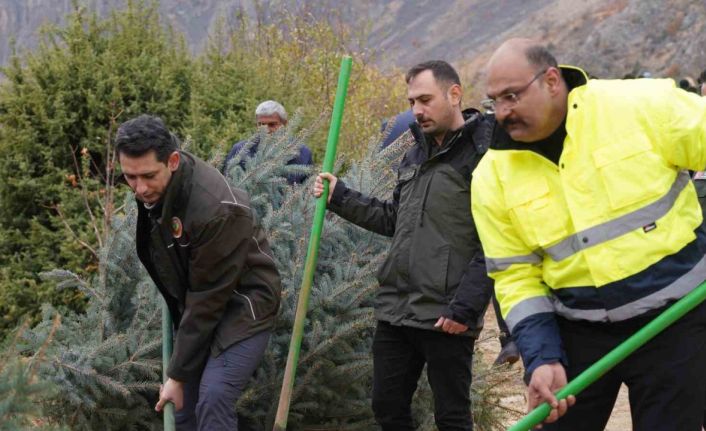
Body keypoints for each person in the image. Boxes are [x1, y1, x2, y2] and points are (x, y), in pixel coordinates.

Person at [471, 38, 706, 430]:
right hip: (578, 333)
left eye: (512, 96)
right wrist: (542, 357)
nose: (503, 113)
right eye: (495, 101)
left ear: (550, 81)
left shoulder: (640, 106)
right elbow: (515, 277)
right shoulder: (491, 177)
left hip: (676, 320)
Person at [313, 60, 492, 430]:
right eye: (412, 101)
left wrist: (466, 307)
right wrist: (340, 196)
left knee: (452, 417)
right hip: (397, 308)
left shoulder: (483, 155)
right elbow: (395, 219)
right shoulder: (415, 154)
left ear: (454, 94)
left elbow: (496, 239)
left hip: (446, 315)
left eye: (425, 99)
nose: (416, 110)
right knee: (387, 408)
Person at [116, 115, 281, 430]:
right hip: (199, 301)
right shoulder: (159, 188)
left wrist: (177, 374)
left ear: (173, 160)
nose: (139, 188)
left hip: (243, 305)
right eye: (130, 177)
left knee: (213, 398)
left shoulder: (215, 209)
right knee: (182, 411)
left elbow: (208, 300)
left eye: (148, 176)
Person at [223, 100, 313, 184]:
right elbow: (226, 186)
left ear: (285, 124)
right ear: (256, 125)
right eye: (261, 124)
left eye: (272, 124)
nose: (266, 130)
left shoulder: (303, 153)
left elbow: (310, 190)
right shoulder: (241, 150)